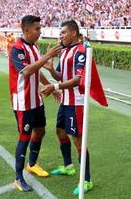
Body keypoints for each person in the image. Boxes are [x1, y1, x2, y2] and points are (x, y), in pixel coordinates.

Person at [9, 15, 63, 192]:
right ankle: (18, 177)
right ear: (26, 30)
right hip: (23, 102)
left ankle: (31, 164)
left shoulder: (33, 48)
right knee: (24, 137)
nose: (40, 31)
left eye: (40, 28)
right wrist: (47, 55)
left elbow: (37, 70)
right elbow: (26, 71)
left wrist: (49, 85)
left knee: (40, 130)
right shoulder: (17, 48)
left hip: (36, 99)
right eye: (37, 29)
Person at [41, 20, 93, 196]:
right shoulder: (64, 52)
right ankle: (69, 166)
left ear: (73, 33)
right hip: (66, 101)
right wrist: (50, 70)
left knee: (78, 140)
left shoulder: (81, 51)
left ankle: (86, 181)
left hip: (76, 102)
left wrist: (54, 87)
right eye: (60, 32)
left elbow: (78, 80)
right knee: (60, 131)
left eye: (63, 32)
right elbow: (62, 76)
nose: (60, 35)